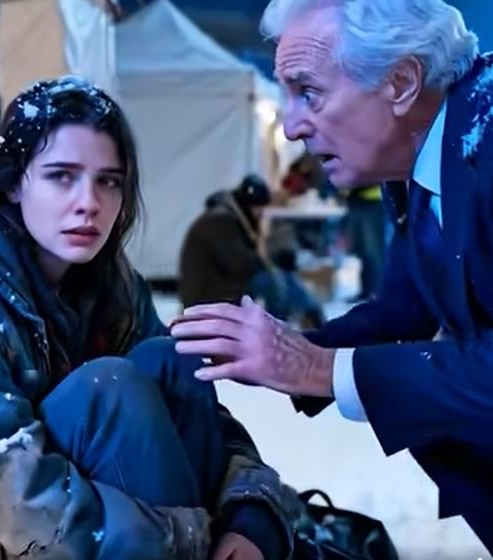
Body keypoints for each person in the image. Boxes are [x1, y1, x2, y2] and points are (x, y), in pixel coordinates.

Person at [0, 77, 300, 559]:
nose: (89, 203)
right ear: (13, 183)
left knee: (172, 360)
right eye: (61, 176)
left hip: (65, 525)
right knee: (107, 393)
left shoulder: (109, 283)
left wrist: (251, 514)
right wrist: (188, 543)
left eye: (108, 181)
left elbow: (207, 425)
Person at [171, 0, 493, 552]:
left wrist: (316, 368)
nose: (291, 125)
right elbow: (407, 307)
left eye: (309, 92)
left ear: (400, 82)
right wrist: (292, 349)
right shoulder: (426, 151)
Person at [179, 174, 325, 327]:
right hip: (208, 296)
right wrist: (268, 252)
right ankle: (280, 326)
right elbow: (240, 265)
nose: (260, 213)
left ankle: (307, 318)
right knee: (273, 282)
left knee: (283, 278)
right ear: (248, 205)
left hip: (221, 285)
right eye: (258, 208)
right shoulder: (220, 221)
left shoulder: (231, 217)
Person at [345, 185, 386, 301]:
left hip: (372, 202)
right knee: (363, 252)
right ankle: (367, 291)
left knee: (374, 250)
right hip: (357, 201)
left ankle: (378, 292)